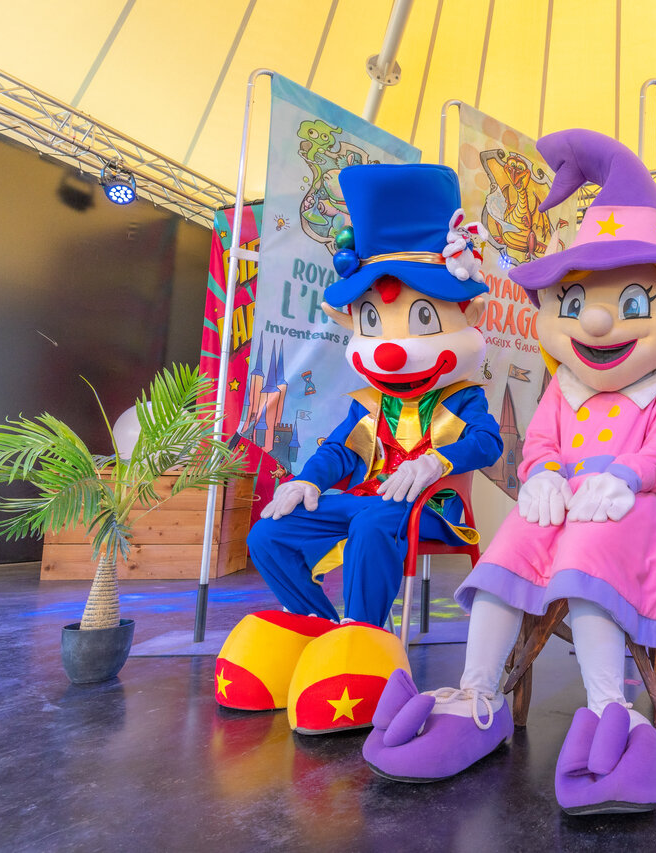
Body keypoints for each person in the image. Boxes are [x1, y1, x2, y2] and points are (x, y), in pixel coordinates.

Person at [363, 129, 656, 815]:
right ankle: (477, 697)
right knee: (507, 556)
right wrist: (544, 475)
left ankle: (607, 710)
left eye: (635, 301)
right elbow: (541, 444)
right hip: (561, 503)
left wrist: (624, 476)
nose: (594, 316)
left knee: (590, 565)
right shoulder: (565, 386)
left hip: (629, 507)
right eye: (574, 298)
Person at [215, 164, 503, 736]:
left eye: (422, 319)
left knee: (373, 524)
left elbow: (488, 442)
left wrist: (435, 463)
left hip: (431, 510)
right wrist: (308, 482)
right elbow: (339, 452)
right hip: (368, 502)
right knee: (270, 532)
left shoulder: (465, 396)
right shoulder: (368, 401)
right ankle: (315, 622)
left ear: (463, 315)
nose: (393, 349)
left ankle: (363, 636)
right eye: (374, 319)